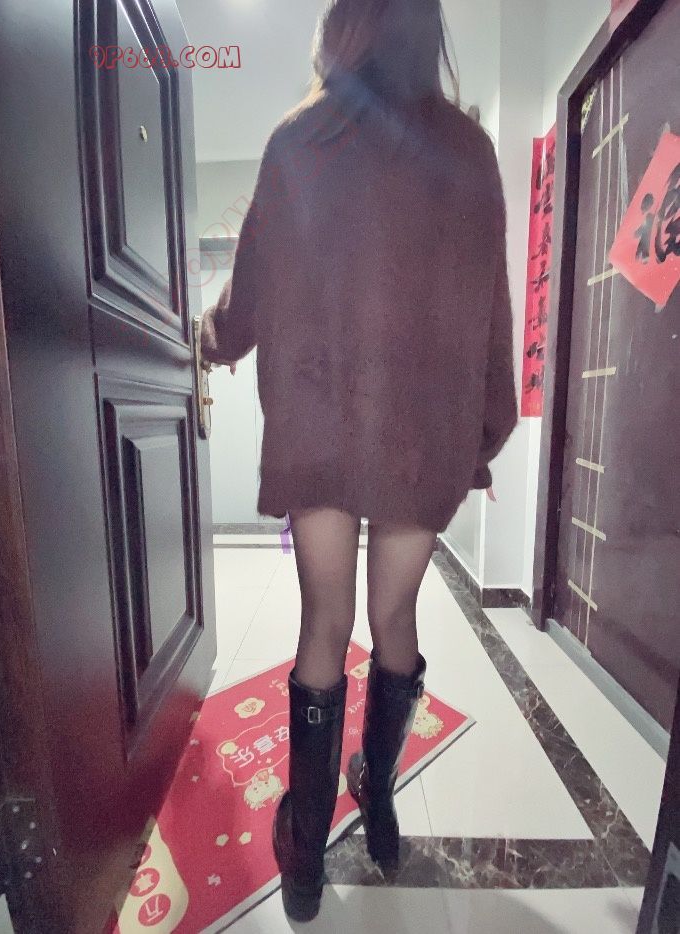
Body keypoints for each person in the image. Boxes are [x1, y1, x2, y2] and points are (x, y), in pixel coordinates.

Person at [201, 0, 517, 921]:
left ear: (342, 28)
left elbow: (249, 295)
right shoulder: (469, 152)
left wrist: (211, 337)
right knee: (396, 617)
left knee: (323, 622)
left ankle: (303, 851)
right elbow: (491, 312)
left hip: (319, 421)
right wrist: (482, 432)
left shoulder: (297, 142)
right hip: (425, 430)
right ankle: (376, 800)